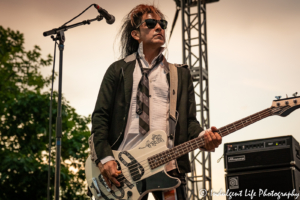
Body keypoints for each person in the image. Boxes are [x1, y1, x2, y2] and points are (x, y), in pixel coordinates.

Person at [90, 4, 222, 200]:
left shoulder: (181, 75)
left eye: (162, 24)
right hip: (124, 171)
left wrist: (205, 136)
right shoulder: (118, 70)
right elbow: (100, 117)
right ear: (136, 34)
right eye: (151, 23)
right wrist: (106, 158)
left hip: (168, 167)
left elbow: (189, 122)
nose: (159, 28)